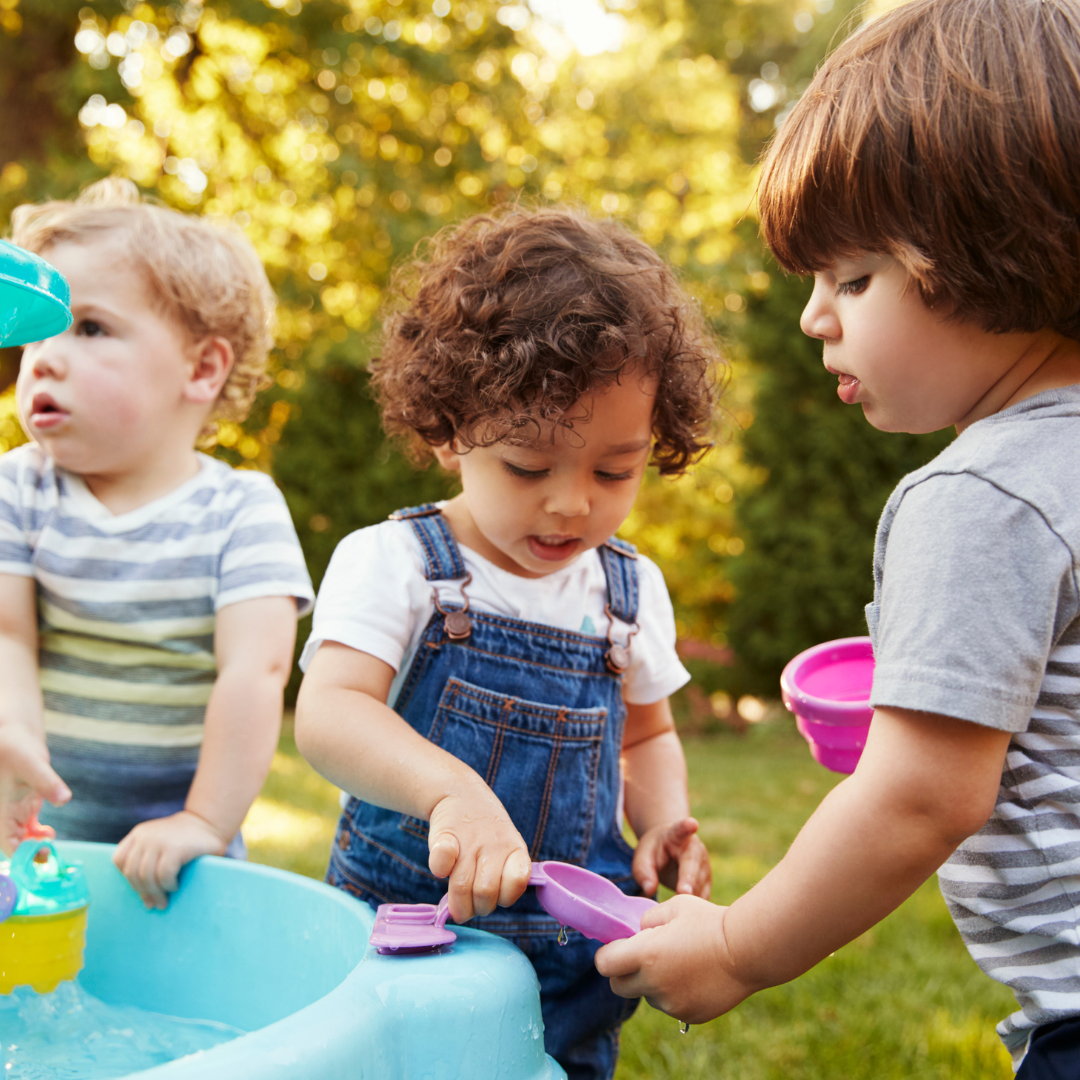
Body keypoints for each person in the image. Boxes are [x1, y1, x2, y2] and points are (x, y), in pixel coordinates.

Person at [594, 1, 1080, 1075]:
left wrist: (733, 947)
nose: (816, 316)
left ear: (999, 250)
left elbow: (922, 796)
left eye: (853, 279)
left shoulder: (982, 495)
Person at [295, 206, 716, 1080]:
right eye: (528, 467)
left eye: (614, 470)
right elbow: (331, 715)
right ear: (450, 430)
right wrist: (451, 794)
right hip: (408, 944)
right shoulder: (397, 563)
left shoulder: (627, 592)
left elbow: (646, 733)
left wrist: (662, 822)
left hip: (568, 966)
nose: (571, 504)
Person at [0, 178, 314, 908]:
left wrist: (203, 820)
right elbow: (7, 635)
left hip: (178, 857)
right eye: (38, 332)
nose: (43, 358)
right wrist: (12, 739)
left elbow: (255, 671)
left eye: (90, 328)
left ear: (201, 369)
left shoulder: (240, 509)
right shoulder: (20, 487)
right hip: (34, 832)